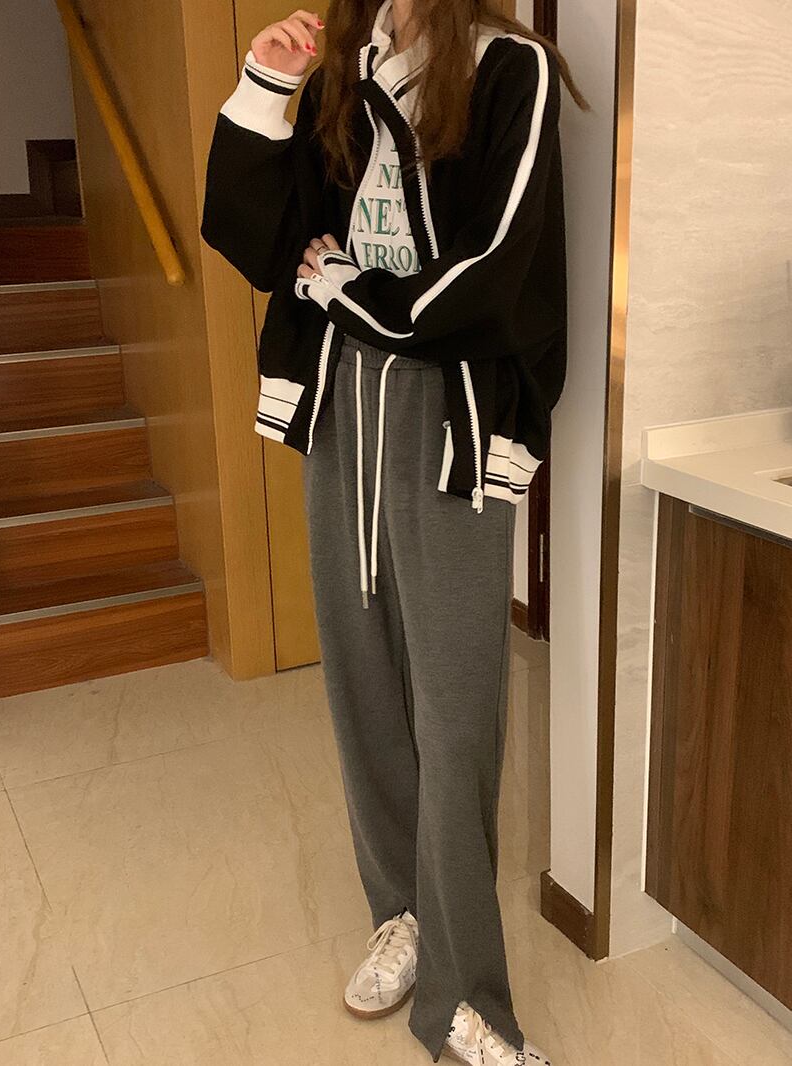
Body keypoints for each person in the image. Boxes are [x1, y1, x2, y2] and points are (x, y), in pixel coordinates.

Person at [202, 2, 585, 1062]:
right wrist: (266, 85)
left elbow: (497, 270)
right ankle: (402, 913)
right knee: (362, 681)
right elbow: (258, 242)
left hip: (446, 415)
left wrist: (347, 289)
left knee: (456, 715)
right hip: (341, 410)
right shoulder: (342, 65)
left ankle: (466, 998)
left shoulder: (510, 69)